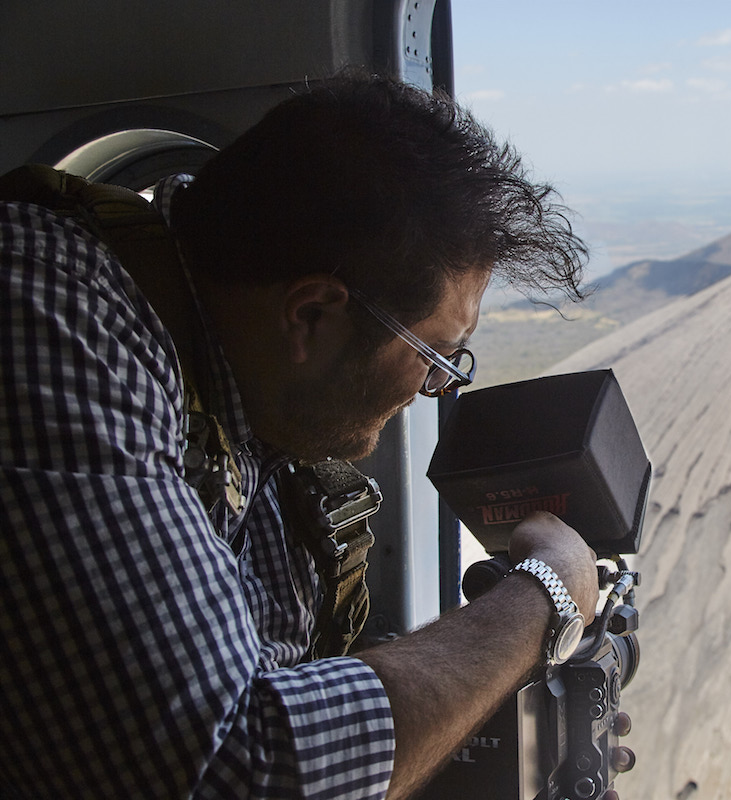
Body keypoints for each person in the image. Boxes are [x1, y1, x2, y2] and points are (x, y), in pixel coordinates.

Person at [0, 71, 623, 799]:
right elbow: (237, 769)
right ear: (311, 316)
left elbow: (277, 686)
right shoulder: (49, 328)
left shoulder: (260, 420)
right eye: (433, 354)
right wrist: (545, 600)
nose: (437, 387)